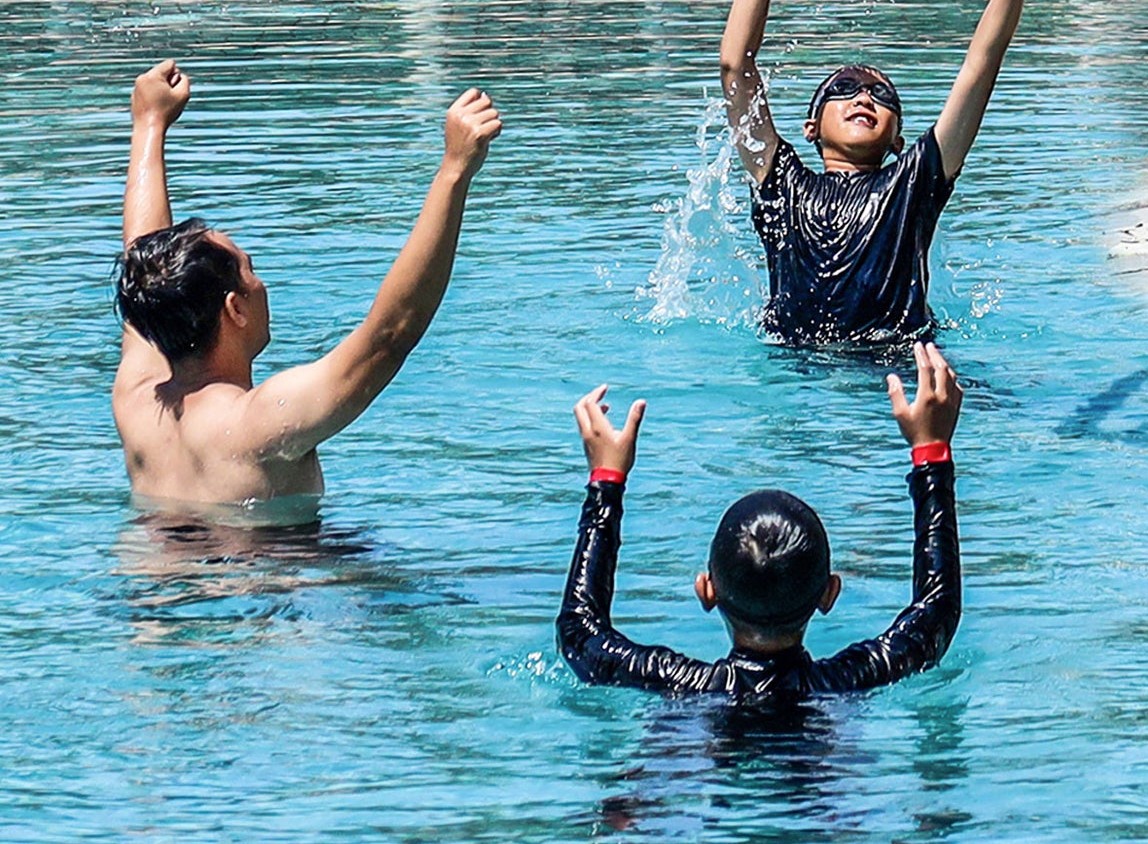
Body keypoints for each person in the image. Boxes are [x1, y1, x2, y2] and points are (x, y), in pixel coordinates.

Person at [718, 0, 1100, 343]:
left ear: (898, 139)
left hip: (895, 365)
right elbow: (736, 67)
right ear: (811, 127)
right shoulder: (782, 186)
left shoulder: (914, 182)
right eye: (845, 88)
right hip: (794, 369)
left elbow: (980, 66)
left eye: (882, 96)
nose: (863, 96)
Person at [111, 58, 501, 510]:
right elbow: (390, 335)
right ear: (234, 308)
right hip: (271, 574)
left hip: (151, 570)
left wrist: (149, 124)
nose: (262, 284)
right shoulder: (259, 424)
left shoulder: (139, 401)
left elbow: (147, 270)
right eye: (249, 270)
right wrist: (454, 171)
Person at [557, 341, 962, 700]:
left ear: (706, 590)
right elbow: (935, 611)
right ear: (830, 594)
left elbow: (579, 631)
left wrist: (606, 483)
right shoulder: (847, 682)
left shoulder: (675, 684)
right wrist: (931, 454)